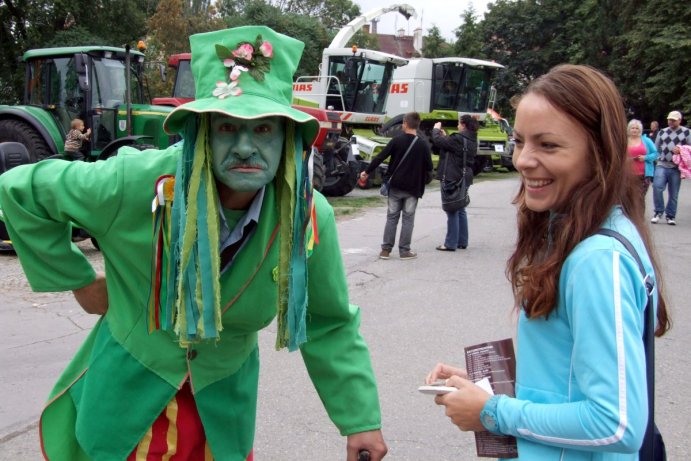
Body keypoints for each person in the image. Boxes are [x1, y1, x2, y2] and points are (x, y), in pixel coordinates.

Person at [0, 26, 387, 461]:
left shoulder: (308, 217)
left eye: (263, 130)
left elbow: (328, 322)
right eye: (227, 127)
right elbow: (20, 190)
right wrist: (80, 281)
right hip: (125, 404)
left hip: (221, 412)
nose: (245, 147)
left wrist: (360, 421)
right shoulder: (135, 182)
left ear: (288, 137)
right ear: (202, 131)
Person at [424, 64, 670, 460]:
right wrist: (487, 388)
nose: (523, 160)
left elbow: (616, 424)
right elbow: (570, 383)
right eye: (520, 141)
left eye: (548, 145)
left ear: (599, 153)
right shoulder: (589, 229)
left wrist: (492, 411)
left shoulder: (597, 260)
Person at [359, 112, 433, 260]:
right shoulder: (423, 144)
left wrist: (366, 171)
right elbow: (430, 166)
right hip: (413, 188)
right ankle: (405, 251)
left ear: (405, 123)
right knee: (408, 219)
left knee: (392, 217)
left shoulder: (396, 140)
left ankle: (386, 250)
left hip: (396, 185)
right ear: (417, 125)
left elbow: (380, 157)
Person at [431, 115, 478, 251]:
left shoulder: (458, 138)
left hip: (453, 176)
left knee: (451, 208)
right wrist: (446, 137)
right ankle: (462, 241)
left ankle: (450, 243)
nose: (457, 126)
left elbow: (438, 141)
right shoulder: (471, 139)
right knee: (460, 207)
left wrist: (435, 129)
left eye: (458, 123)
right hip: (465, 176)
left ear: (463, 125)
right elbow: (451, 145)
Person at [651, 110, 690, 225]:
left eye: (673, 120)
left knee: (673, 192)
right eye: (669, 119)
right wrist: (657, 158)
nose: (670, 122)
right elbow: (655, 147)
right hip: (662, 164)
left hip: (677, 167)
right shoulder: (662, 132)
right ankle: (658, 211)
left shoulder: (687, 132)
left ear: (679, 120)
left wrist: (681, 150)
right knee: (657, 187)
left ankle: (670, 215)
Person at [627, 119, 657, 200]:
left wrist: (645, 157)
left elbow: (656, 153)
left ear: (640, 130)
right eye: (632, 128)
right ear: (629, 129)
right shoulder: (624, 141)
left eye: (637, 128)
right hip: (628, 175)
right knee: (629, 199)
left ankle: (640, 213)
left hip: (644, 175)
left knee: (640, 198)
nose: (634, 130)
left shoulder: (646, 140)